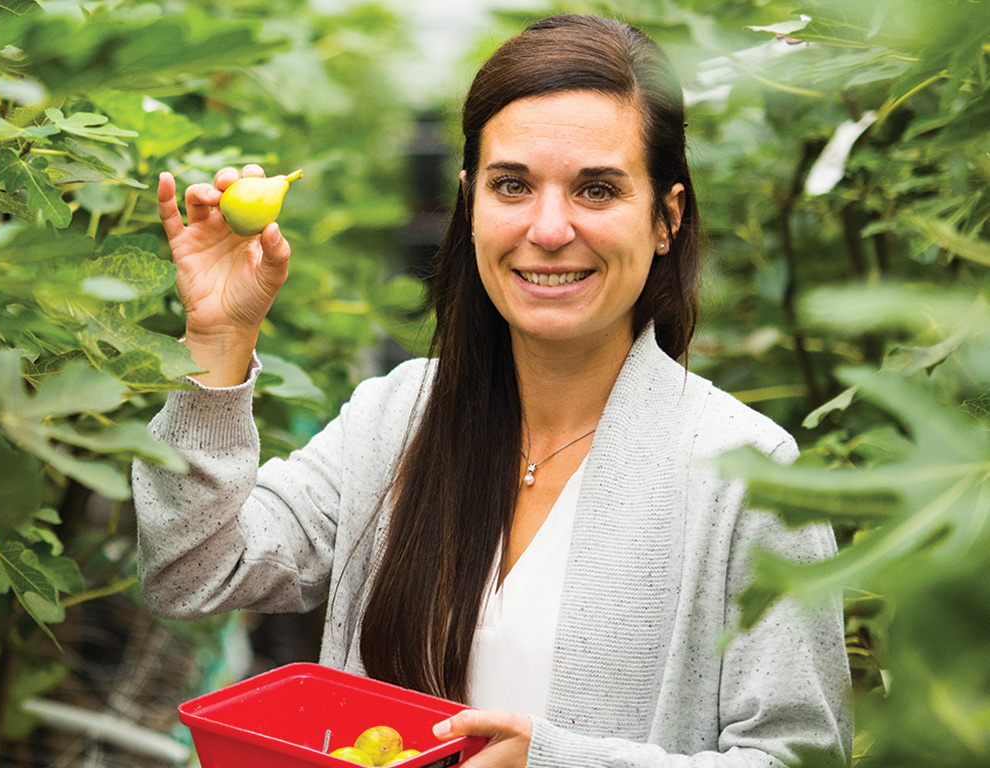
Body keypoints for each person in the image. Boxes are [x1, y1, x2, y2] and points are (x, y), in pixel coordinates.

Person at [133, 13, 851, 768]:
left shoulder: (750, 475)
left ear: (666, 218)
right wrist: (218, 345)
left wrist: (552, 759)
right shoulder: (396, 418)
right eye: (512, 185)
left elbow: (795, 756)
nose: (547, 228)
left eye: (596, 190)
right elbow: (192, 572)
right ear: (470, 201)